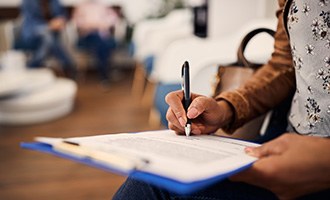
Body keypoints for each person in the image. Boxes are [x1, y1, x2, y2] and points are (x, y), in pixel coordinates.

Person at [113, 0, 330, 199]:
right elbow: (284, 65)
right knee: (150, 181)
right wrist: (225, 107)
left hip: (311, 167)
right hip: (286, 142)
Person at [17, 0, 77, 79]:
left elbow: (62, 14)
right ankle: (68, 65)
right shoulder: (28, 2)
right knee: (48, 38)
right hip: (33, 33)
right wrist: (49, 25)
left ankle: (31, 67)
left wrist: (60, 20)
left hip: (51, 34)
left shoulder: (55, 1)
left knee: (48, 39)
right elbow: (31, 21)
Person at [72, 0, 119, 83]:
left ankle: (104, 74)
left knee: (102, 43)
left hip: (102, 36)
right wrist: (96, 25)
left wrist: (99, 25)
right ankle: (105, 75)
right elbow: (78, 23)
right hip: (87, 37)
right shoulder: (81, 7)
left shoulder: (103, 6)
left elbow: (113, 19)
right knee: (101, 43)